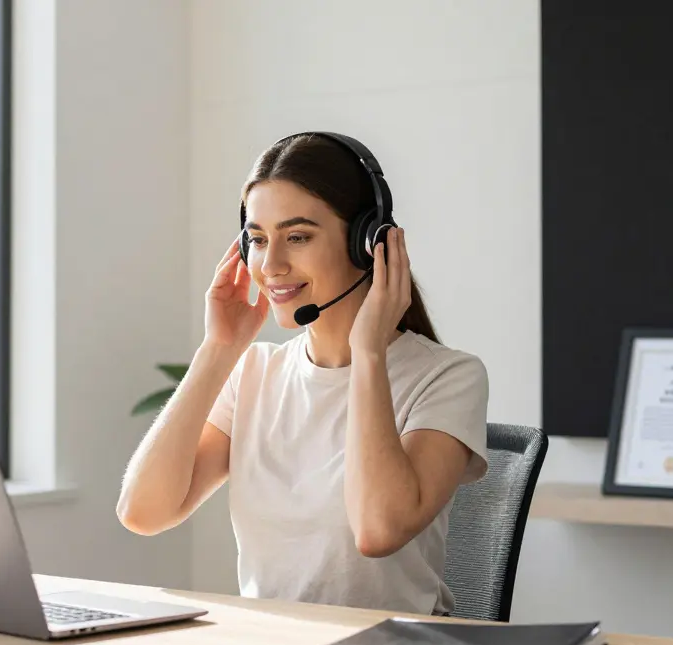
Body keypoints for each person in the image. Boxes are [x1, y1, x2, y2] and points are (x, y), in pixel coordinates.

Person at [116, 132, 489, 616]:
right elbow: (144, 512)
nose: (270, 265)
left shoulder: (447, 377)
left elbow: (377, 530)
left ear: (366, 244)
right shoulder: (254, 372)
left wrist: (369, 353)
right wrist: (218, 349)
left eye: (297, 236)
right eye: (256, 239)